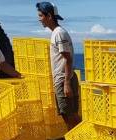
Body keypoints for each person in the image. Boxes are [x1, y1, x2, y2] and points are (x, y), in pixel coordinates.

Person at [36, 2, 80, 130]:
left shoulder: (58, 33)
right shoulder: (57, 32)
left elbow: (67, 58)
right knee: (69, 116)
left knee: (69, 117)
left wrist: (66, 83)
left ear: (49, 16)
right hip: (63, 79)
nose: (39, 19)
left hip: (64, 79)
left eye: (40, 15)